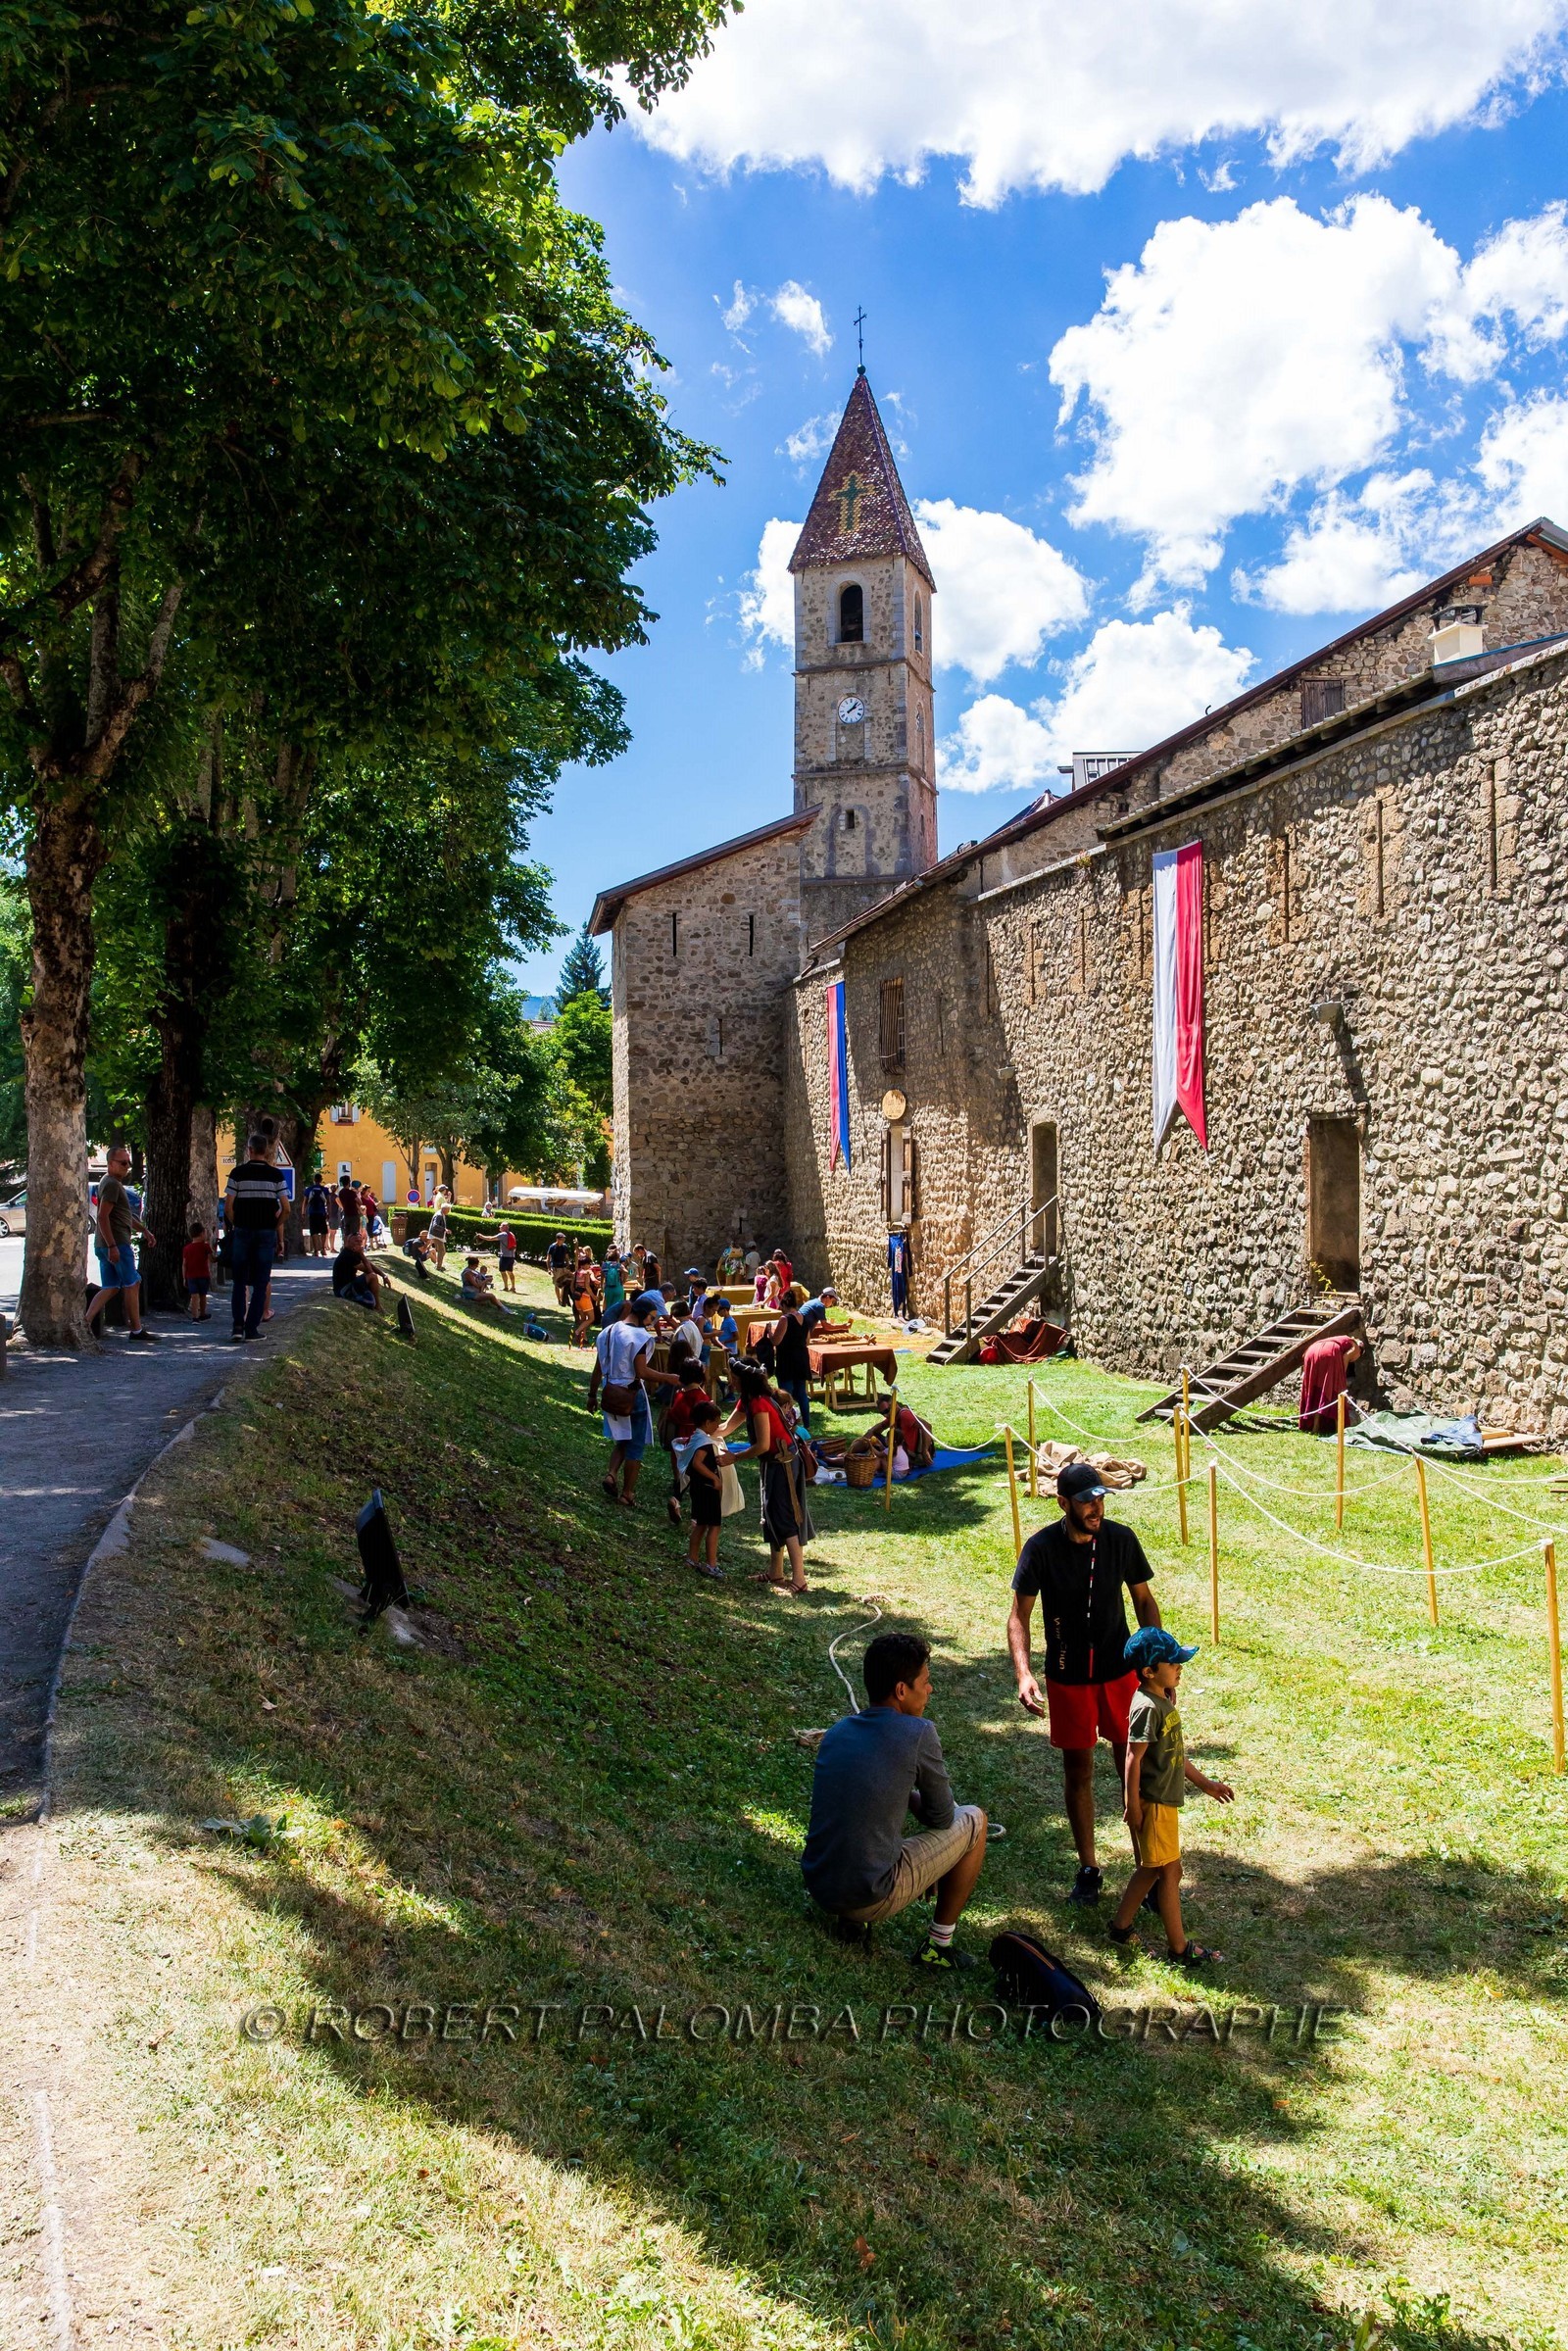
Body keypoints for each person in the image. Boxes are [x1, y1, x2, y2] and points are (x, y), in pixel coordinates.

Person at [1006, 1459, 1162, 1905]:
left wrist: (1155, 1661)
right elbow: (1019, 1616)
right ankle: (1089, 1868)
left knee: (1132, 1767)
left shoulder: (1121, 1539)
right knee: (1079, 1771)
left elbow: (1144, 1602)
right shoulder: (1040, 1548)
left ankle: (1146, 1870)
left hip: (1120, 1671)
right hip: (1068, 1674)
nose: (1096, 1508)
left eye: (1100, 1499)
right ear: (1063, 1503)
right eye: (1086, 1501)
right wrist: (1023, 1673)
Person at [801, 1632, 988, 1967]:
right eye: (925, 1682)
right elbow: (943, 1817)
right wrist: (913, 1799)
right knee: (974, 1819)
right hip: (871, 1894)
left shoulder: (838, 1730)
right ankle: (938, 1946)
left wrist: (901, 1792)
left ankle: (850, 1921)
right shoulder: (919, 1733)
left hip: (821, 1886)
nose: (930, 1690)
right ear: (902, 1690)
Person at [1108, 1627, 1234, 1968]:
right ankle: (1179, 1948)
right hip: (1154, 1803)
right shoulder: (1148, 1708)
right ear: (1149, 1671)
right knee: (1170, 1872)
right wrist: (1132, 1804)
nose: (1180, 1667)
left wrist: (1205, 1784)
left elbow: (1175, 1752)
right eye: (1173, 1662)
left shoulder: (1161, 1701)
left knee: (1151, 1869)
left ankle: (1120, 1927)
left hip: (1163, 1801)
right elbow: (1132, 1758)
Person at [724, 1359, 813, 1593]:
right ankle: (776, 1572)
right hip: (773, 1464)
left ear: (743, 1379)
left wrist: (735, 1457)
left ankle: (800, 1579)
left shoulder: (759, 1403)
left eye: (733, 1377)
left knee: (785, 1517)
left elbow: (762, 1445)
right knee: (771, 1516)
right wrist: (699, 1435)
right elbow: (725, 1428)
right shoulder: (748, 1400)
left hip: (784, 1464)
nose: (730, 1380)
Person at [588, 1291, 680, 1507]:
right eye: (652, 1318)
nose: (652, 1322)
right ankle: (627, 1493)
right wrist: (669, 1378)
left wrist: (592, 1394)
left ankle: (611, 1474)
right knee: (636, 1444)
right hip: (631, 1394)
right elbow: (642, 1372)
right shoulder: (640, 1337)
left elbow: (598, 1367)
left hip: (610, 1391)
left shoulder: (607, 1332)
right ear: (642, 1315)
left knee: (622, 1438)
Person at [84, 1145, 158, 1343]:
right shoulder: (111, 1184)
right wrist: (112, 1246)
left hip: (105, 1245)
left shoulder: (111, 1183)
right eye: (123, 1163)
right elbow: (102, 1217)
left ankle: (85, 1322)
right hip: (116, 1244)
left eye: (128, 1163)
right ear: (110, 1164)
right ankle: (136, 1330)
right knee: (132, 1284)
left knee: (111, 1287)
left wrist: (145, 1231)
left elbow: (124, 1216)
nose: (127, 1166)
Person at [223, 1133, 288, 1345]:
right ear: (267, 1151)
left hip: (243, 1231)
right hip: (266, 1232)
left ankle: (237, 1327)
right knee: (261, 1281)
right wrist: (274, 1227)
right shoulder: (276, 1175)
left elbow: (228, 1206)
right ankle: (251, 1329)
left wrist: (238, 1223)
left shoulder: (237, 1173)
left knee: (239, 1281)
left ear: (249, 1150)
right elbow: (286, 1208)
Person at [680, 1398, 726, 1578]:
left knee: (700, 1524)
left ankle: (692, 1558)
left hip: (698, 1488)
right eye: (717, 1422)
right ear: (707, 1422)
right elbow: (697, 1463)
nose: (718, 1425)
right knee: (714, 1526)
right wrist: (714, 1478)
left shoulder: (695, 1438)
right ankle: (711, 1565)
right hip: (707, 1489)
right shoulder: (704, 1442)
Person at [1298, 1333, 1363, 1433]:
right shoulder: (1357, 1347)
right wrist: (1341, 1378)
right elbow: (1345, 1358)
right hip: (1329, 1351)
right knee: (1336, 1392)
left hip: (1311, 1351)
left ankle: (1315, 1427)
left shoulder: (1338, 1338)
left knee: (1317, 1390)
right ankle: (1339, 1429)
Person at [770, 1294, 813, 1430]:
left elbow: (776, 1341)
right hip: (801, 1359)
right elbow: (807, 1340)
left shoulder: (785, 1319)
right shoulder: (804, 1318)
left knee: (785, 1394)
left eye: (781, 1307)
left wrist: (769, 1332)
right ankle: (807, 1424)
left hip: (787, 1360)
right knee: (802, 1394)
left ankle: (786, 1424)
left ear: (784, 1305)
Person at [332, 1229, 384, 1309]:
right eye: (356, 1241)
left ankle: (374, 1303)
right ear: (348, 1242)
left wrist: (383, 1275)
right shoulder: (348, 1255)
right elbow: (369, 1271)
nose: (359, 1243)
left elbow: (369, 1264)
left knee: (370, 1278)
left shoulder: (352, 1252)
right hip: (343, 1290)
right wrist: (361, 1254)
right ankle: (378, 1307)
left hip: (348, 1285)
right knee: (372, 1277)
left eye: (360, 1241)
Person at [181, 1224, 213, 1321]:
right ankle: (202, 1313)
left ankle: (195, 1317)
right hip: (204, 1275)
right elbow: (212, 1259)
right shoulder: (206, 1246)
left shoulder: (187, 1248)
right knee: (203, 1295)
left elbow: (184, 1264)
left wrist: (184, 1277)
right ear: (202, 1233)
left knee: (194, 1296)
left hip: (191, 1275)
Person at [303, 1176, 330, 1258]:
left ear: (314, 1180)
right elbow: (328, 1202)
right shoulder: (324, 1189)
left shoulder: (309, 1189)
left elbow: (305, 1202)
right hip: (322, 1212)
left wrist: (303, 1212)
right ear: (321, 1180)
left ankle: (315, 1251)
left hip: (312, 1212)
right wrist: (329, 1212)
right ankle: (323, 1249)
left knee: (313, 1231)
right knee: (323, 1231)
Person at [601, 1245, 626, 1319]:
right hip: (618, 1287)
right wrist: (623, 1281)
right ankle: (617, 1322)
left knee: (609, 1307)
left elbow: (602, 1277)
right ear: (617, 1258)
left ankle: (609, 1322)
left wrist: (601, 1285)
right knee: (618, 1307)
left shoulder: (604, 1265)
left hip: (608, 1288)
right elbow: (626, 1272)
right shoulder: (619, 1265)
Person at [548, 1231, 572, 1305]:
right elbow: (548, 1258)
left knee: (564, 1284)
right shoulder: (552, 1247)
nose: (563, 1240)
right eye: (562, 1239)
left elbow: (567, 1257)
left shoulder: (565, 1246)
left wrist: (568, 1266)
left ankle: (562, 1298)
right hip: (555, 1268)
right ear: (558, 1239)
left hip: (563, 1267)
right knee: (556, 1284)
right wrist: (549, 1269)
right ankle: (558, 1299)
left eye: (564, 1239)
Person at [426, 1194, 448, 1271]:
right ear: (444, 1209)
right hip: (436, 1235)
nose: (449, 1211)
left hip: (437, 1235)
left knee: (441, 1251)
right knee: (442, 1251)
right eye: (448, 1209)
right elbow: (435, 1226)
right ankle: (438, 1267)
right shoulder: (439, 1215)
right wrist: (444, 1230)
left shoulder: (441, 1214)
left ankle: (438, 1265)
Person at [496, 1224, 518, 1293]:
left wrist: (481, 1236)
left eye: (501, 1226)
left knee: (502, 1271)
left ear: (505, 1227)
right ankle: (513, 1287)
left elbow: (491, 1238)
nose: (499, 1227)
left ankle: (506, 1287)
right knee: (510, 1272)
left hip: (505, 1256)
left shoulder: (503, 1234)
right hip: (511, 1257)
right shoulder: (511, 1234)